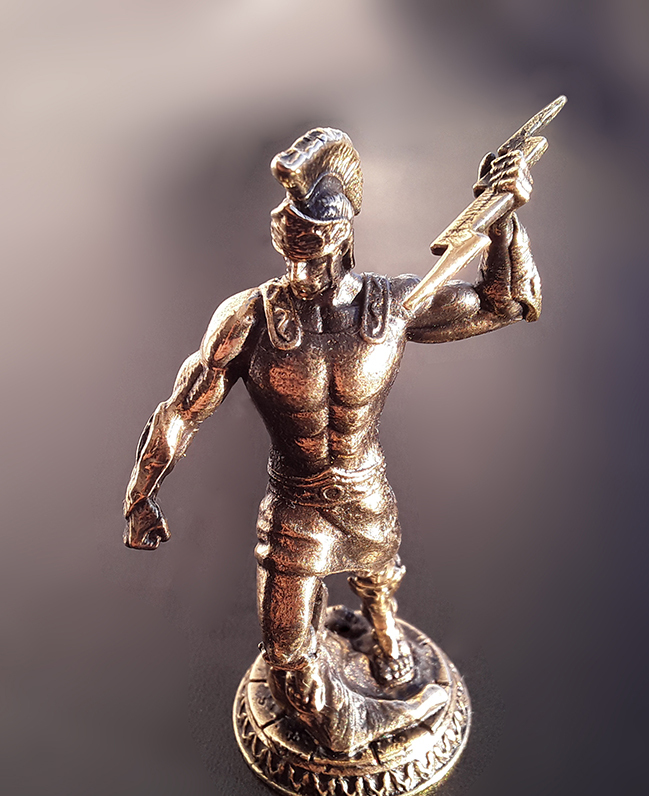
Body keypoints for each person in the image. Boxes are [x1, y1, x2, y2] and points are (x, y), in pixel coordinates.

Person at [123, 127, 542, 754]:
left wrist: (504, 221)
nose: (295, 247)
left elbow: (505, 302)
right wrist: (142, 494)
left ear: (342, 230)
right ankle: (376, 718)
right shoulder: (249, 319)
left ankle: (383, 624)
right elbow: (184, 407)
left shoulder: (391, 305)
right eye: (287, 225)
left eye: (310, 229)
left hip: (365, 490)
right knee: (288, 659)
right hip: (294, 504)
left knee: (378, 573)